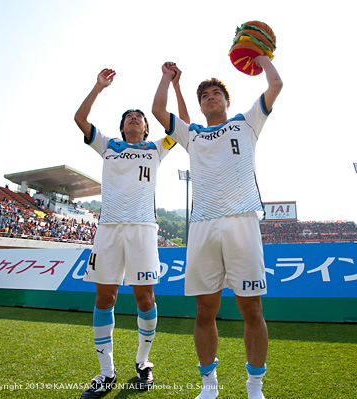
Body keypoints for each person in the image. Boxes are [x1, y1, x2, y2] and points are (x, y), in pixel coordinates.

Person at [152, 58, 283, 399]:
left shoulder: (247, 122)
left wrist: (262, 58)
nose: (211, 97)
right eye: (205, 95)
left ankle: (255, 387)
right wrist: (168, 78)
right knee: (204, 311)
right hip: (203, 226)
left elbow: (276, 86)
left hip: (242, 221)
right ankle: (209, 386)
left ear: (227, 101)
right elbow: (158, 108)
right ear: (200, 106)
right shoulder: (191, 134)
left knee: (251, 310)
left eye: (216, 93)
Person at [74, 67, 187, 399]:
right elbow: (80, 119)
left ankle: (143, 363)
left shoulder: (157, 148)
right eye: (129, 118)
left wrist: (171, 83)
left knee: (144, 298)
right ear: (122, 127)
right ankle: (106, 373)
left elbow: (181, 124)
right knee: (104, 299)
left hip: (142, 231)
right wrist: (97, 87)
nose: (135, 119)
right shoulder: (107, 145)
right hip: (108, 231)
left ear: (147, 127)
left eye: (140, 117)